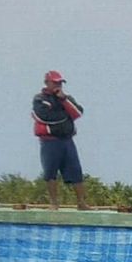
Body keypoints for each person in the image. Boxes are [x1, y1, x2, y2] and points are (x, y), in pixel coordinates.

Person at [31, 70, 87, 210]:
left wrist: (64, 100)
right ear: (47, 83)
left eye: (60, 83)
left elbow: (78, 112)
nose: (58, 85)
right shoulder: (39, 99)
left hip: (67, 140)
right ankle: (54, 203)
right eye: (55, 82)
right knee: (50, 172)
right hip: (50, 141)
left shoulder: (66, 98)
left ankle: (81, 202)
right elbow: (46, 116)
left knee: (75, 171)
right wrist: (65, 115)